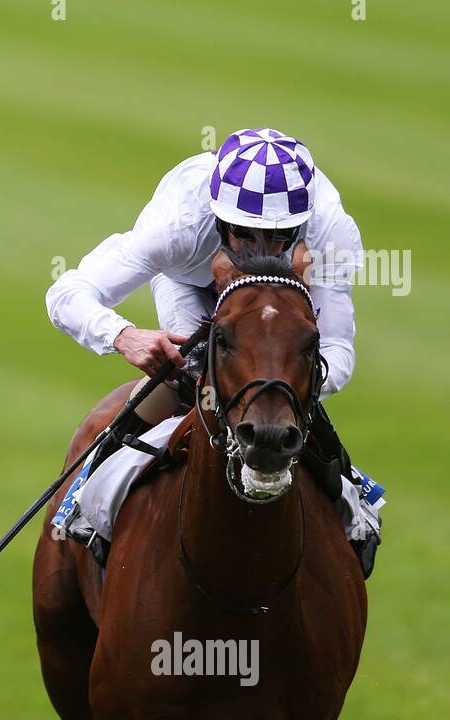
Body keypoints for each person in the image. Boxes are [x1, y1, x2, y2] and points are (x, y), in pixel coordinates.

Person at [47, 127, 380, 575]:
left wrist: (287, 376)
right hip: (189, 285)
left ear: (302, 224)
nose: (261, 250)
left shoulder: (330, 231)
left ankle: (357, 509)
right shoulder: (180, 225)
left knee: (279, 384)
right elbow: (68, 293)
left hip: (280, 316)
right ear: (219, 219)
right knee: (190, 376)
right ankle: (83, 497)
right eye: (244, 235)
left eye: (280, 237)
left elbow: (338, 346)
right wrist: (125, 336)